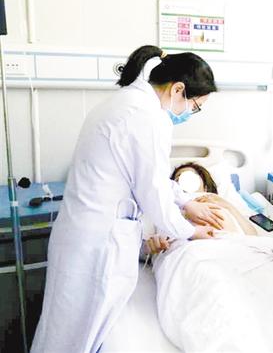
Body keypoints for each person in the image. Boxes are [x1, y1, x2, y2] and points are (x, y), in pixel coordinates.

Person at [32, 45, 226, 353]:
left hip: (85, 235)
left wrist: (186, 201)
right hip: (97, 244)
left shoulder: (127, 103)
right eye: (195, 106)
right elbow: (153, 193)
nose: (191, 113)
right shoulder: (147, 118)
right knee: (73, 337)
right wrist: (189, 231)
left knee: (63, 332)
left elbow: (150, 176)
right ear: (178, 89)